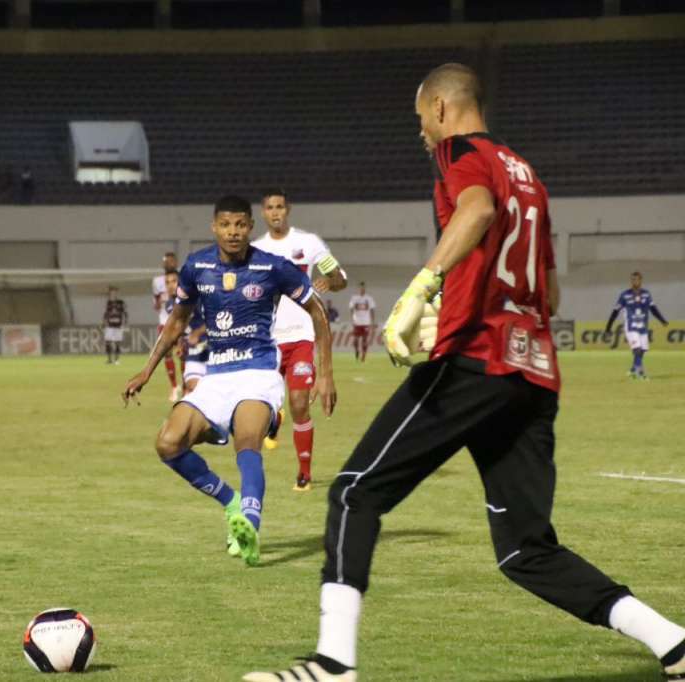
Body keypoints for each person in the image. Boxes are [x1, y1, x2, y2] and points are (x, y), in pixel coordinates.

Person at [245, 63, 685, 682]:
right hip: (533, 374)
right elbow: (548, 295)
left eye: (422, 118)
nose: (422, 133)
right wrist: (454, 303)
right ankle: (674, 644)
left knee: (354, 493)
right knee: (526, 552)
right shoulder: (528, 174)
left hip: (477, 363)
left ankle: (333, 664)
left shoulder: (462, 156)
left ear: (443, 109)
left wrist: (423, 290)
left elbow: (475, 211)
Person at [123, 195, 336, 567]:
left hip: (258, 373)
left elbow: (317, 310)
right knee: (168, 443)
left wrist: (326, 373)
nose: (233, 232)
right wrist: (147, 369)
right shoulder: (196, 267)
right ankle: (231, 502)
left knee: (248, 439)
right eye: (226, 225)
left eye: (240, 225)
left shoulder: (272, 267)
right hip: (216, 376)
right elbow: (176, 322)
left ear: (249, 227)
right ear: (214, 227)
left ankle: (250, 525)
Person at [252, 189, 347, 492]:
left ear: (288, 210)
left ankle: (304, 473)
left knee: (299, 403)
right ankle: (273, 418)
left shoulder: (308, 243)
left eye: (280, 206)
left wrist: (329, 281)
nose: (276, 212)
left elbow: (341, 277)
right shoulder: (255, 250)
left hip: (303, 336)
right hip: (267, 341)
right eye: (270, 208)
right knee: (260, 407)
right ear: (263, 213)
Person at [604, 271, 668, 380]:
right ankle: (640, 373)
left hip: (643, 327)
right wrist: (608, 327)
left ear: (641, 280)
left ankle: (633, 369)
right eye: (633, 279)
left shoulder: (646, 294)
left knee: (642, 351)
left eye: (637, 279)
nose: (635, 281)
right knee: (637, 349)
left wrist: (662, 320)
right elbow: (615, 312)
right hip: (631, 327)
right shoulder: (624, 295)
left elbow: (653, 309)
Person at [152, 252, 182, 402]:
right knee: (167, 354)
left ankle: (187, 384)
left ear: (176, 262)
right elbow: (156, 303)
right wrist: (160, 302)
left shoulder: (182, 277)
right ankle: (174, 387)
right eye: (167, 261)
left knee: (184, 355)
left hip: (180, 322)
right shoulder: (157, 281)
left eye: (172, 261)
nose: (169, 263)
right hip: (164, 322)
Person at [181, 303, 207, 395]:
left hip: (221, 355)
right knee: (192, 389)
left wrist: (198, 333)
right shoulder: (176, 302)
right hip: (195, 353)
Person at [348, 282, 376, 362]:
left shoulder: (369, 298)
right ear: (358, 289)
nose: (362, 289)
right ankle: (357, 350)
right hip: (357, 322)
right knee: (356, 340)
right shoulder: (354, 298)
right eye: (360, 288)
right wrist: (352, 318)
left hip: (366, 322)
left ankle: (363, 355)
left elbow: (372, 310)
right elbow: (351, 308)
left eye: (363, 288)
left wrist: (372, 322)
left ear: (365, 289)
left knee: (364, 339)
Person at [102, 286, 128, 364]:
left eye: (115, 292)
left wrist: (125, 322)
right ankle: (109, 359)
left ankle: (117, 359)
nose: (113, 294)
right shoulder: (109, 303)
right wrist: (104, 322)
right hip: (110, 326)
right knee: (108, 342)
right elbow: (106, 314)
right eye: (112, 293)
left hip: (118, 326)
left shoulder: (121, 302)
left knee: (117, 342)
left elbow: (125, 313)